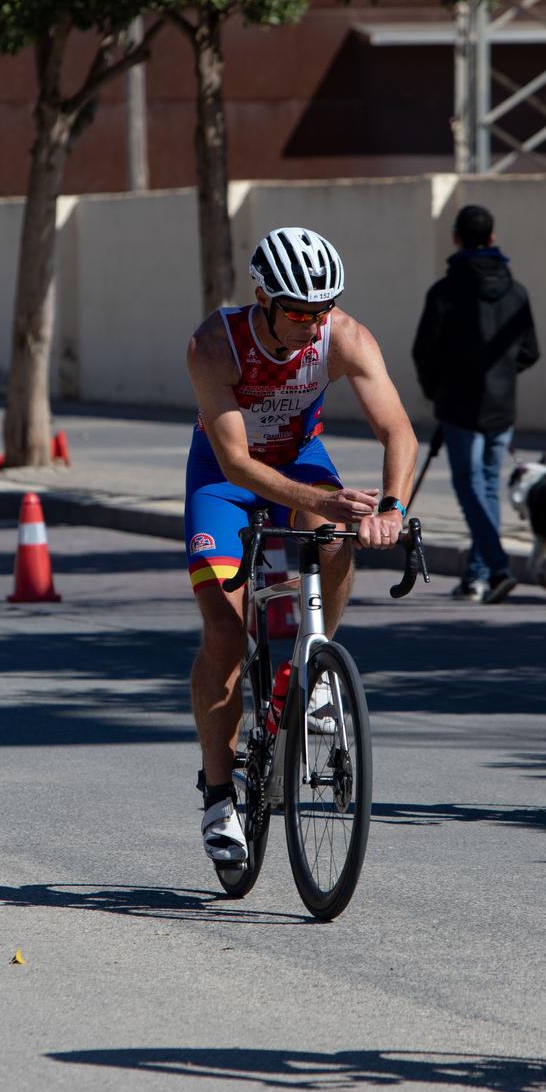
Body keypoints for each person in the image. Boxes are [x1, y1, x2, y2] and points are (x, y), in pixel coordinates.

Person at [184, 226, 416, 867]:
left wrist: (393, 506)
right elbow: (233, 462)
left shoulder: (344, 337)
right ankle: (218, 792)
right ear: (263, 296)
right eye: (298, 313)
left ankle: (313, 664)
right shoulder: (214, 345)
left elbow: (398, 429)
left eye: (322, 311)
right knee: (226, 636)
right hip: (224, 480)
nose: (313, 327)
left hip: (301, 460)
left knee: (335, 533)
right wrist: (321, 500)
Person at [411, 203, 539, 603]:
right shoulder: (516, 292)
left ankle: (497, 567)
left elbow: (423, 351)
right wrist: (500, 374)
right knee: (485, 486)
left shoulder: (445, 292)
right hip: (500, 407)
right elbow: (529, 351)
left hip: (459, 406)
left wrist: (437, 391)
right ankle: (478, 575)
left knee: (471, 487)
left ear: (456, 238)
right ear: (492, 237)